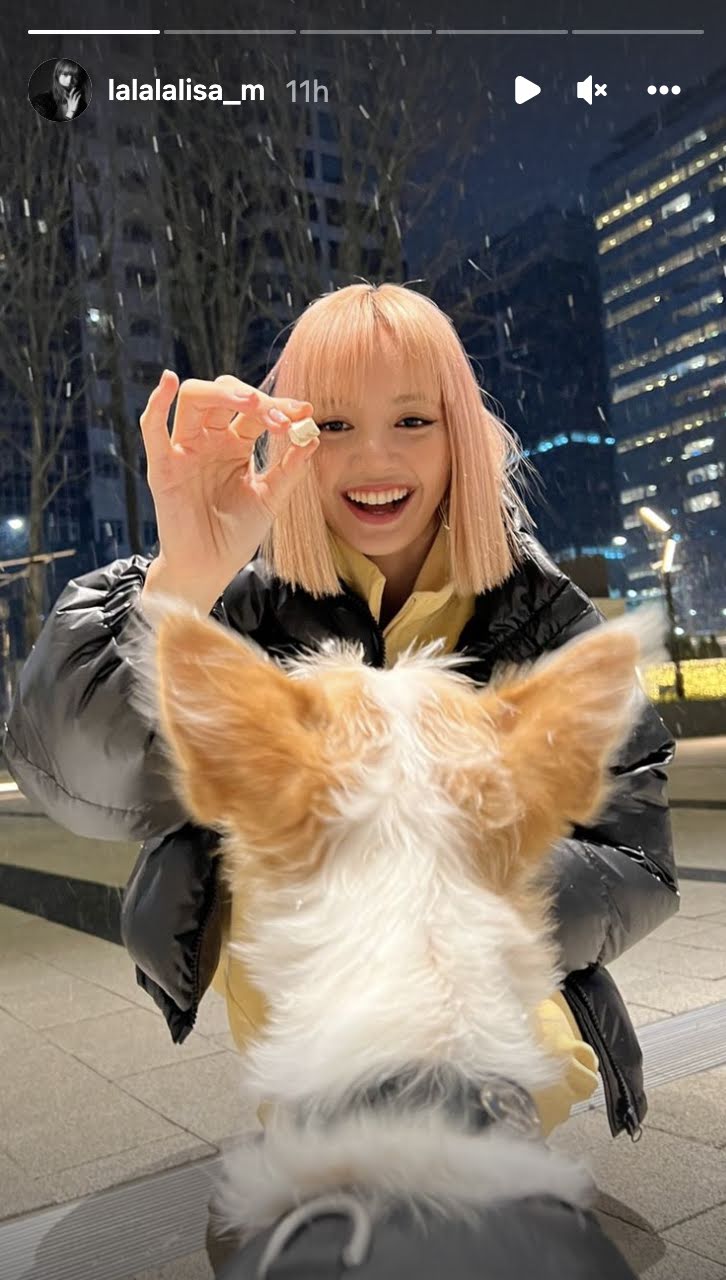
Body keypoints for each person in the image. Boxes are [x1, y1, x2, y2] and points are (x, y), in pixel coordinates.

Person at [2, 283, 678, 1276]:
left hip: (506, 1006)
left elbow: (639, 859)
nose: (374, 457)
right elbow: (81, 782)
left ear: (462, 435)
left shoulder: (550, 616)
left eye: (413, 419)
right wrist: (182, 576)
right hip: (300, 1001)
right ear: (288, 439)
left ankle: (433, 1147)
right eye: (332, 424)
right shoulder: (236, 596)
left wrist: (445, 869)